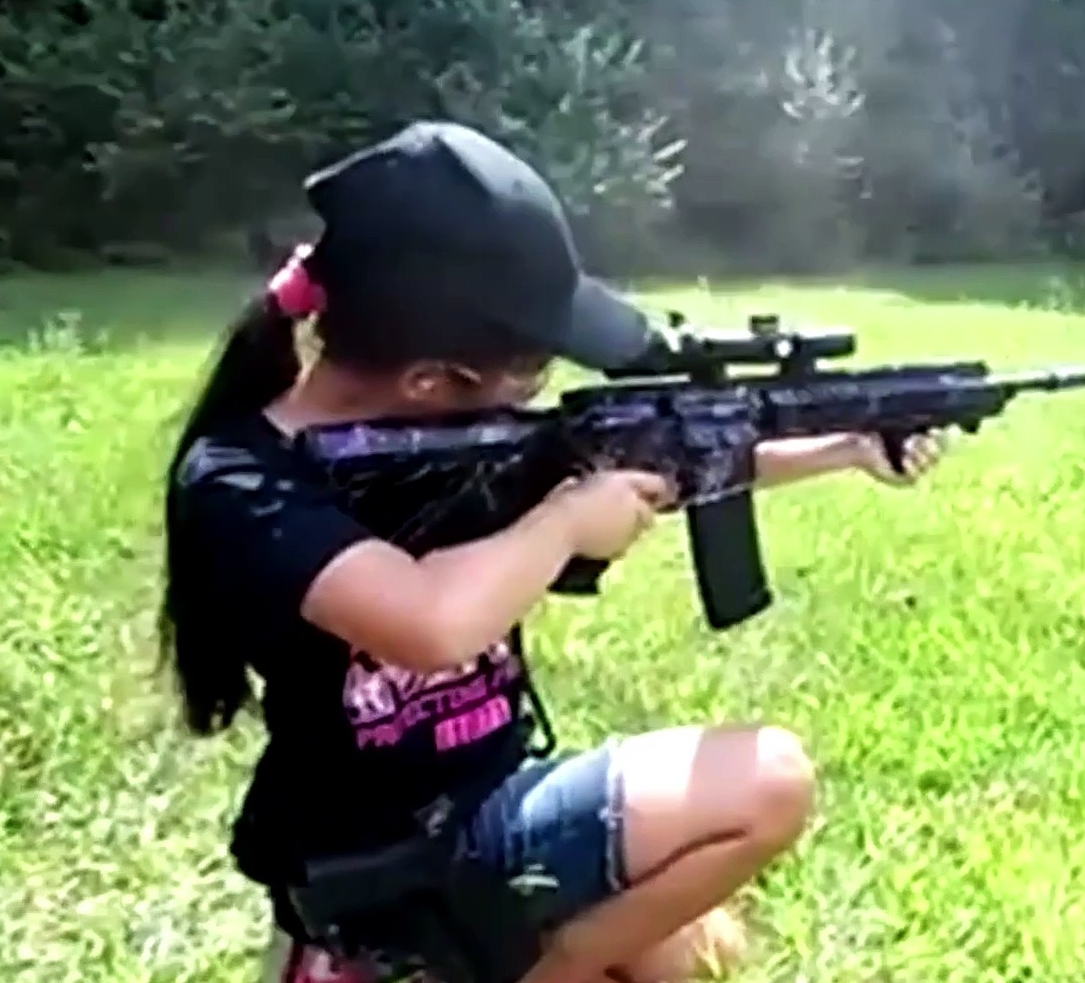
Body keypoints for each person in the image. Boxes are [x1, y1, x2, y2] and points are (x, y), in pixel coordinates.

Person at [158, 121, 947, 983]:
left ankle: (511, 942)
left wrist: (846, 447)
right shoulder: (241, 479)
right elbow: (429, 624)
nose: (539, 392)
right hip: (384, 853)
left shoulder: (468, 439)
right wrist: (568, 523)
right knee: (770, 780)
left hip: (491, 796)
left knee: (700, 947)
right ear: (428, 379)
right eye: (530, 371)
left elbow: (677, 463)